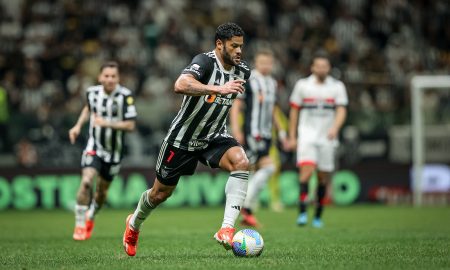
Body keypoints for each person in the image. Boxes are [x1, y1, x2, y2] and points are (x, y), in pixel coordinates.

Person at [122, 22, 251, 256]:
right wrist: (218, 89)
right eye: (234, 46)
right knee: (159, 194)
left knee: (241, 162)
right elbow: (180, 84)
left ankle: (227, 229)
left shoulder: (243, 72)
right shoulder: (204, 61)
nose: (239, 51)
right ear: (219, 45)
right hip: (182, 138)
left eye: (241, 46)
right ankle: (133, 224)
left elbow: (233, 103)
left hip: (214, 135)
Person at [69, 61, 137, 240]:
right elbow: (88, 109)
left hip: (114, 153)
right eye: (106, 76)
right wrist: (77, 126)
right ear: (100, 77)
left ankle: (91, 216)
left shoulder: (125, 96)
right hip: (94, 148)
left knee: (101, 192)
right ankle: (80, 224)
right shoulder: (92, 93)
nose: (110, 79)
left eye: (113, 76)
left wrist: (107, 123)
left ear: (118, 78)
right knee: (86, 181)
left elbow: (130, 125)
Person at [287, 52, 348, 228]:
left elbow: (341, 110)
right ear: (312, 67)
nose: (321, 69)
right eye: (318, 66)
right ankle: (302, 212)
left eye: (325, 66)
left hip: (327, 137)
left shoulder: (337, 87)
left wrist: (335, 128)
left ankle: (318, 216)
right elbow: (294, 110)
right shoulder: (303, 85)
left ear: (329, 68)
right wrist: (293, 136)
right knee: (306, 173)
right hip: (307, 135)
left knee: (322, 177)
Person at [230, 49, 287, 227]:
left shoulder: (272, 83)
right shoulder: (250, 79)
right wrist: (236, 129)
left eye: (269, 63)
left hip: (267, 134)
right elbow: (236, 104)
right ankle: (245, 208)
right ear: (256, 62)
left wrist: (282, 132)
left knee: (253, 171)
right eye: (262, 62)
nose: (266, 66)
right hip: (252, 133)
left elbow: (273, 110)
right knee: (268, 167)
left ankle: (245, 210)